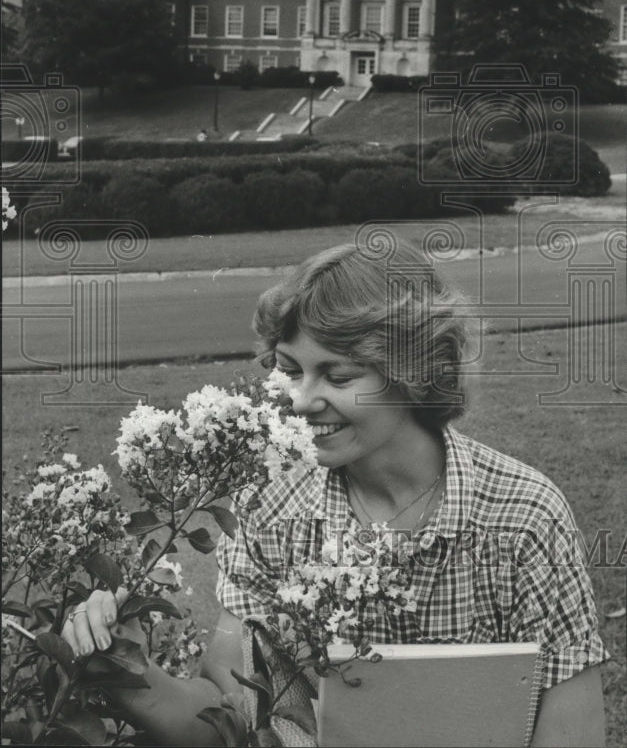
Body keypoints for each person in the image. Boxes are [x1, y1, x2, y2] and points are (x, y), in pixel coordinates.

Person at [63, 238, 608, 747]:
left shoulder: (524, 517)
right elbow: (223, 716)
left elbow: (572, 731)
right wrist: (122, 663)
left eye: (338, 375)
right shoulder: (271, 506)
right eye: (290, 370)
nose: (301, 401)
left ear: (415, 371)